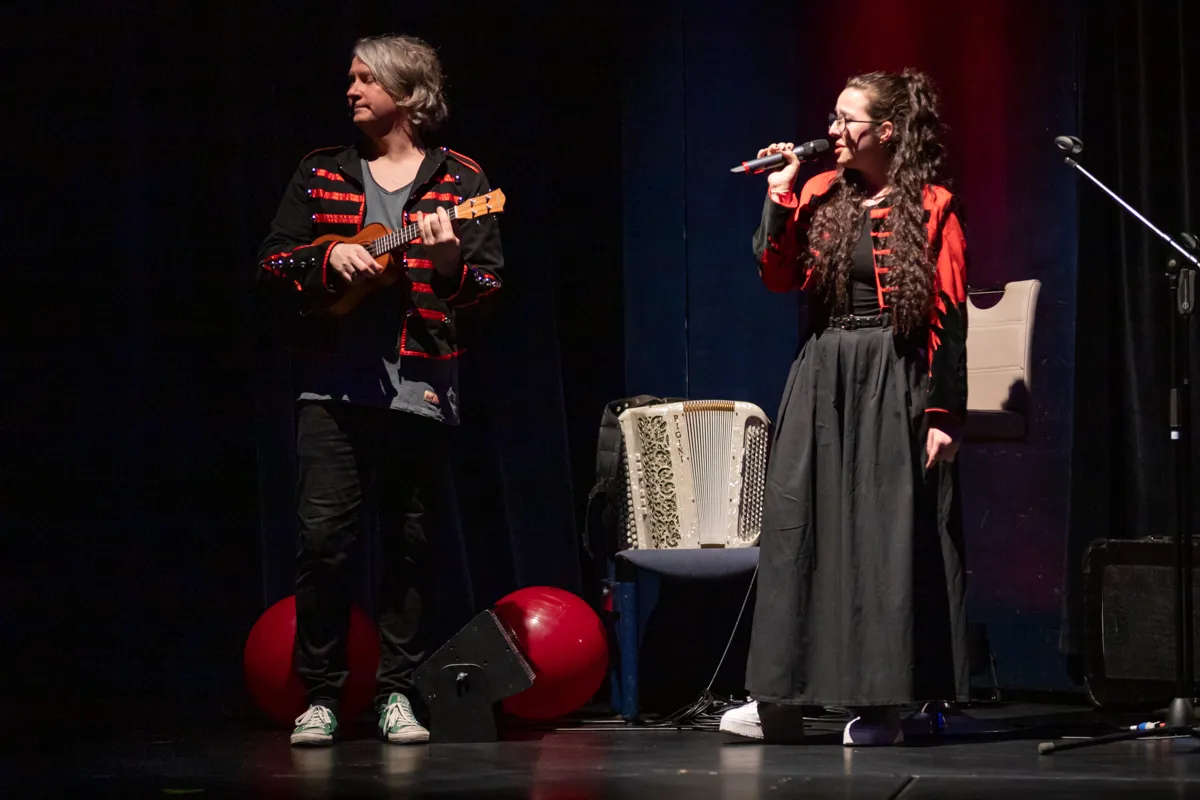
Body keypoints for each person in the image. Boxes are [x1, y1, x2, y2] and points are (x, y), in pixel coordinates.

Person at [253, 34, 504, 747]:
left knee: (409, 545)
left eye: (366, 80)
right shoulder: (322, 173)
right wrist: (333, 256)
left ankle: (397, 693)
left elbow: (487, 291)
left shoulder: (462, 183)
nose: (351, 91)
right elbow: (273, 261)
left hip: (420, 385)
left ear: (408, 94)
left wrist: (451, 258)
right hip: (331, 386)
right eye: (351, 79)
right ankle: (323, 698)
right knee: (324, 542)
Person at [718, 69, 969, 746]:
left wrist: (943, 417)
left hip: (892, 375)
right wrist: (780, 194)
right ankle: (781, 698)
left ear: (886, 131)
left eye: (846, 119)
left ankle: (882, 705)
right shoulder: (821, 191)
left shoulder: (933, 204)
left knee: (882, 538)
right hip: (824, 370)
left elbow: (947, 315)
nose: (833, 130)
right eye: (831, 118)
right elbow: (778, 276)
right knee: (801, 529)